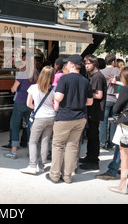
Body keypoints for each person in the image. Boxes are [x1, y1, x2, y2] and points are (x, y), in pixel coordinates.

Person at [46, 54, 93, 184]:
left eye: (67, 63)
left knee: (57, 145)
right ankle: (67, 176)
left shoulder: (64, 79)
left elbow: (59, 98)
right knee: (72, 146)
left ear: (72, 64)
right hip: (80, 118)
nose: (65, 65)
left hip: (65, 117)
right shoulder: (85, 80)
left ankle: (55, 175)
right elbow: (89, 102)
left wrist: (55, 95)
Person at [96, 60, 128, 181]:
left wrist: (121, 100)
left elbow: (117, 108)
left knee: (123, 153)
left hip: (126, 122)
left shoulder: (127, 88)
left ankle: (116, 176)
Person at [20, 66, 56, 174]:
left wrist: (35, 108)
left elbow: (28, 104)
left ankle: (32, 166)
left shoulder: (33, 88)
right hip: (51, 117)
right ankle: (41, 166)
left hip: (39, 117)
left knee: (33, 141)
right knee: (45, 141)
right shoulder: (53, 89)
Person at [3, 56, 37, 159]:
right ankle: (31, 152)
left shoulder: (22, 74)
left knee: (15, 125)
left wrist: (13, 88)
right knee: (29, 127)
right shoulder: (38, 75)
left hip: (20, 103)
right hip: (31, 103)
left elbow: (14, 88)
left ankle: (13, 151)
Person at [79, 54, 107, 170]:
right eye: (85, 63)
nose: (86, 65)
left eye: (88, 63)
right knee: (91, 135)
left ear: (94, 64)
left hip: (95, 110)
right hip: (91, 110)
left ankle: (94, 161)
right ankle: (89, 157)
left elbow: (99, 95)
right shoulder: (92, 76)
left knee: (93, 136)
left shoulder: (97, 77)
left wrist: (85, 95)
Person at [100, 54, 121, 149]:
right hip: (115, 98)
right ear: (113, 62)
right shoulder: (119, 72)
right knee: (113, 122)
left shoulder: (101, 72)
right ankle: (112, 142)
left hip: (105, 98)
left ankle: (102, 143)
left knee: (103, 122)